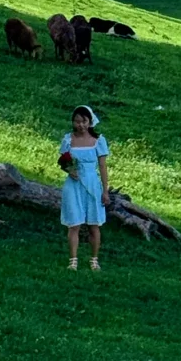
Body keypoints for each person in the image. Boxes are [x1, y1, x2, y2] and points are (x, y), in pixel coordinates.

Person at [58, 105, 110, 270]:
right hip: (74, 184)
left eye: (83, 121)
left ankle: (94, 259)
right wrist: (70, 170)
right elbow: (63, 161)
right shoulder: (68, 139)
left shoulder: (98, 141)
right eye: (77, 121)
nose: (80, 125)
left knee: (93, 224)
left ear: (90, 122)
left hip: (92, 184)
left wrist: (105, 190)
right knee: (74, 223)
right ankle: (73, 260)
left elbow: (102, 166)